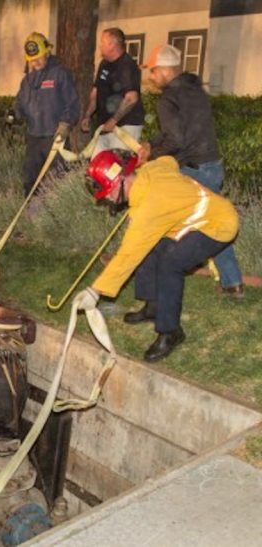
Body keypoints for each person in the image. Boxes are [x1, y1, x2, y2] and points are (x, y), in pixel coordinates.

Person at [75, 150, 238, 362]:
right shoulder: (150, 170)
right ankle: (153, 307)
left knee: (171, 263)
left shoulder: (149, 210)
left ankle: (170, 332)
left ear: (123, 180)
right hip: (196, 220)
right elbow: (168, 161)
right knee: (151, 248)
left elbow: (127, 256)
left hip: (218, 224)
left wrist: (95, 291)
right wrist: (145, 158)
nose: (106, 197)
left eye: (108, 191)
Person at [138, 44, 244, 298]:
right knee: (215, 222)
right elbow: (176, 131)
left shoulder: (168, 99)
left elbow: (175, 140)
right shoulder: (195, 91)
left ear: (165, 70)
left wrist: (151, 156)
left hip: (194, 170)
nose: (151, 77)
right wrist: (152, 142)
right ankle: (232, 283)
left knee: (160, 218)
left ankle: (157, 279)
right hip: (212, 165)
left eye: (153, 71)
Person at [15, 32, 80, 196]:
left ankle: (56, 219)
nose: (35, 62)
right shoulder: (27, 81)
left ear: (47, 53)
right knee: (30, 181)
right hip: (34, 139)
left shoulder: (60, 74)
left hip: (55, 138)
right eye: (32, 60)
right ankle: (31, 217)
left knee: (57, 183)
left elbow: (72, 103)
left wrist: (66, 123)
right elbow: (20, 103)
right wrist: (15, 114)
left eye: (39, 57)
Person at [80, 28, 145, 155]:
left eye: (103, 42)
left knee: (117, 168)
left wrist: (114, 120)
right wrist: (88, 114)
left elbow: (131, 98)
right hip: (105, 126)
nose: (100, 45)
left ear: (112, 44)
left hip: (125, 127)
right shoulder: (104, 64)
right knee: (98, 166)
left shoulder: (127, 66)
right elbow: (96, 91)